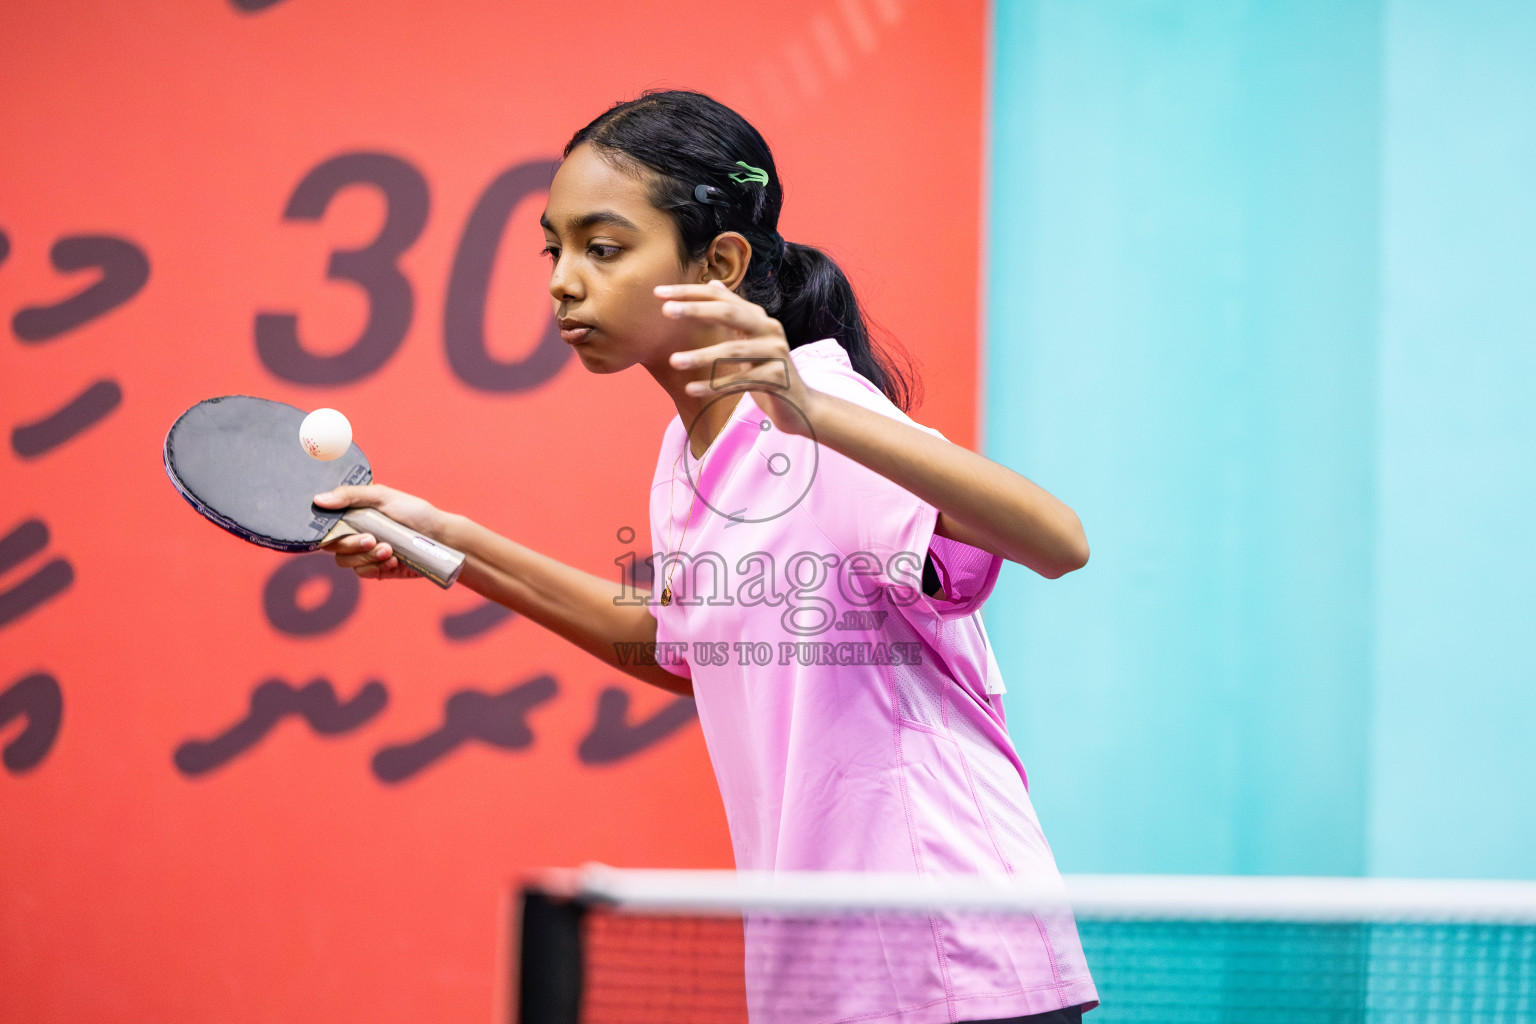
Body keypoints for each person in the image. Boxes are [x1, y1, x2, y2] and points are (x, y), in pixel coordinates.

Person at [317, 90, 1098, 1024]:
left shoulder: (813, 410)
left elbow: (1058, 542)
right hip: (822, 971)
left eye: (603, 249)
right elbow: (677, 651)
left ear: (719, 263)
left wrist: (820, 419)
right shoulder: (693, 449)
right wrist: (445, 540)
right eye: (554, 248)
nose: (564, 280)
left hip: (948, 957)